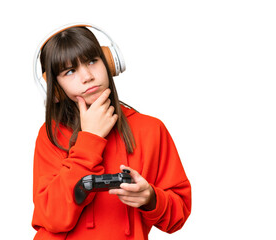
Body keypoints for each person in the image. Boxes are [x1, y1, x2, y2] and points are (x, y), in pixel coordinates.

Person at [32, 24, 191, 239]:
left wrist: (151, 198)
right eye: (69, 71)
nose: (87, 76)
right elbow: (52, 217)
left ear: (109, 63)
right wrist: (90, 140)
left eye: (92, 61)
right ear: (55, 87)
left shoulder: (151, 130)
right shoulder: (51, 135)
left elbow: (178, 216)